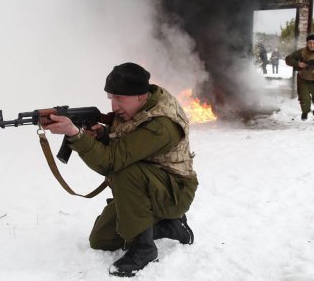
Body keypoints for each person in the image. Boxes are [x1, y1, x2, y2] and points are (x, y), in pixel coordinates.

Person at [42, 62, 198, 277]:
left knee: (125, 170)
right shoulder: (138, 108)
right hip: (149, 186)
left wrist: (75, 135)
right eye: (111, 98)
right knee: (100, 240)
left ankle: (144, 249)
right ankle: (168, 226)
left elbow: (111, 161)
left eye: (119, 99)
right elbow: (130, 139)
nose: (114, 107)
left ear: (141, 96)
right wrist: (104, 135)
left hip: (175, 192)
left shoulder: (161, 125)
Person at [285, 34, 314, 126]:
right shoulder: (301, 52)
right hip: (303, 79)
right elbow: (288, 59)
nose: (312, 45)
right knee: (304, 99)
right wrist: (298, 64)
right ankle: (305, 111)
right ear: (307, 43)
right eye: (310, 43)